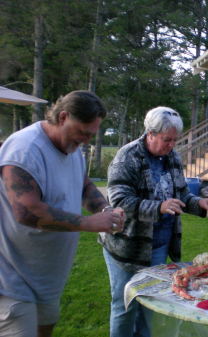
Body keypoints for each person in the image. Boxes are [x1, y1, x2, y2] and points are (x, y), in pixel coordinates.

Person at [0, 90, 126, 337]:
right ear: (63, 117)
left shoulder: (72, 149)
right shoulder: (25, 148)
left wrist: (105, 210)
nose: (86, 140)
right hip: (12, 278)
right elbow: (26, 211)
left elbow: (84, 185)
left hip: (46, 278)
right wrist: (88, 222)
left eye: (91, 135)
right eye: (83, 132)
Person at [99, 106, 208, 337]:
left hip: (158, 245)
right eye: (167, 140)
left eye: (175, 140)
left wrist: (199, 203)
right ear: (150, 133)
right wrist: (159, 207)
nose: (172, 145)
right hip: (127, 246)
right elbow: (120, 201)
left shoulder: (171, 157)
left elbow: (182, 194)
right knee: (126, 303)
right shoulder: (127, 157)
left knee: (150, 303)